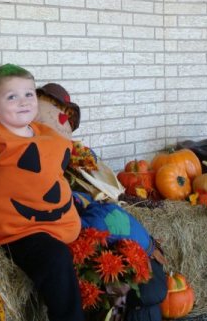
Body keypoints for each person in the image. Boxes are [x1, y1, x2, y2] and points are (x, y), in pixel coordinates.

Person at [0, 64, 84, 321]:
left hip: (53, 219)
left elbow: (52, 175)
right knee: (56, 258)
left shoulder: (49, 137)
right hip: (16, 229)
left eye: (29, 94)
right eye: (11, 96)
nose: (23, 101)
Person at [36, 82, 168, 321]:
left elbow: (76, 221)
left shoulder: (90, 207)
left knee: (118, 295)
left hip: (138, 269)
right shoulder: (93, 205)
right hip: (138, 256)